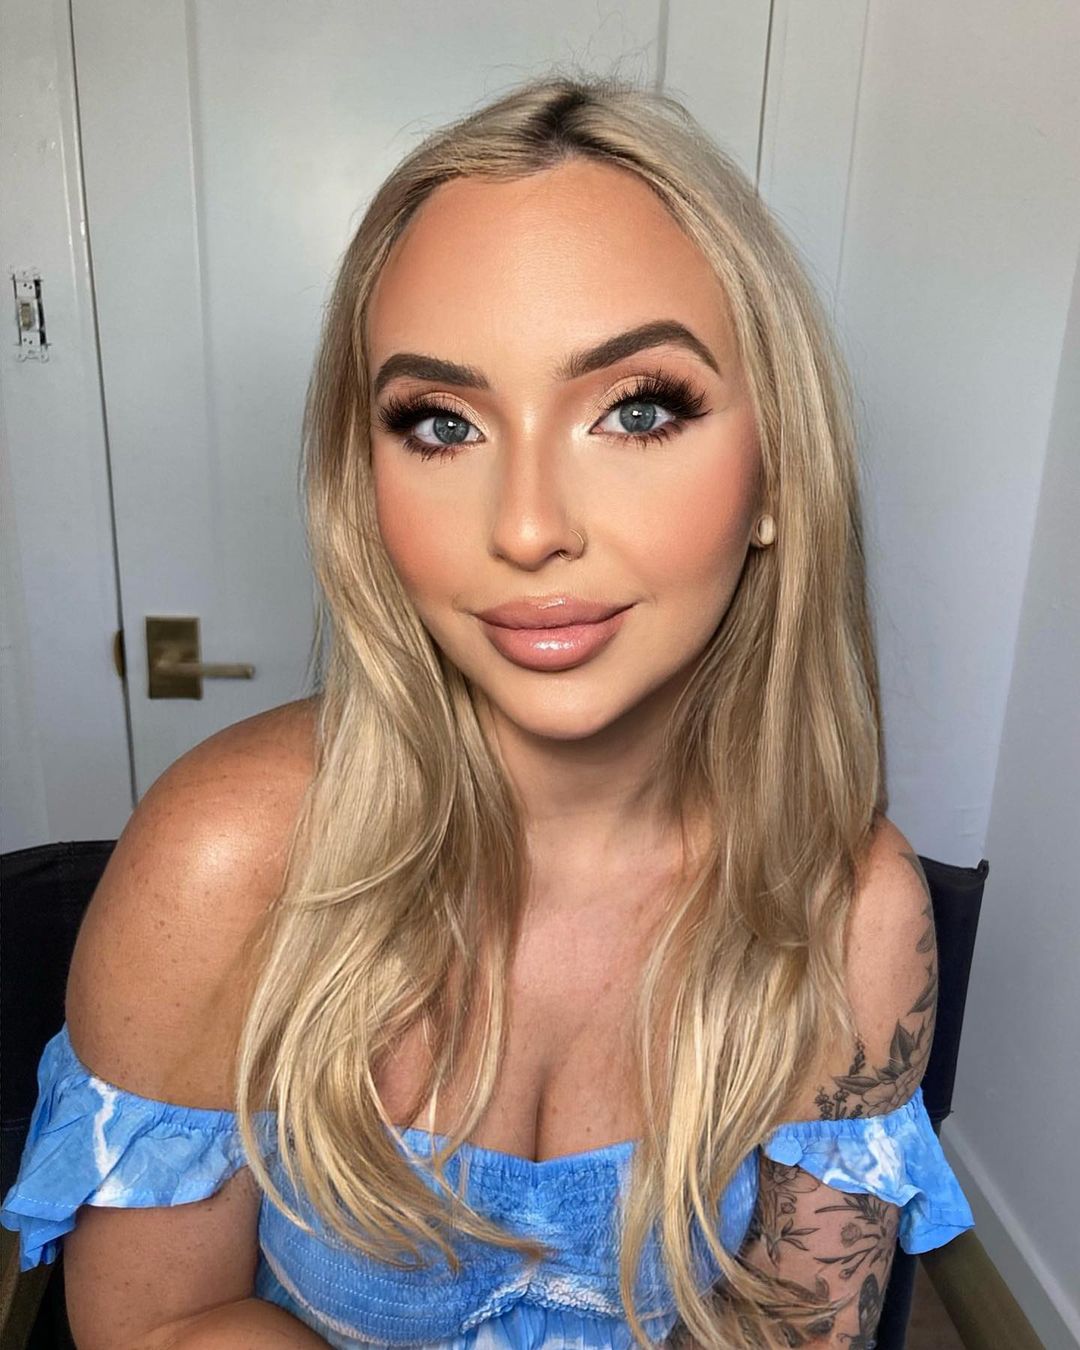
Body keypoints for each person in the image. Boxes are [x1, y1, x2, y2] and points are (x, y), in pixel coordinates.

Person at [1, 75, 974, 1348]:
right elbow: (156, 1328)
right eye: (441, 424)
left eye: (638, 410)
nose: (525, 528)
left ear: (778, 474)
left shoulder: (853, 910)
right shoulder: (228, 860)